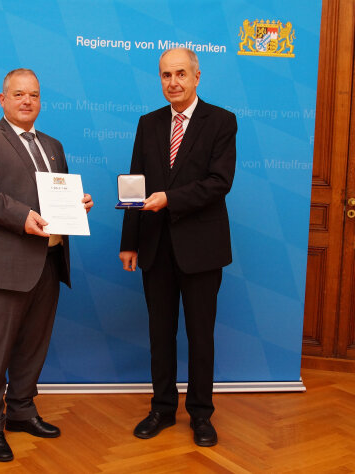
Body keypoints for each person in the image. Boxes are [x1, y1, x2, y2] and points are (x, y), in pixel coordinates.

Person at [0, 68, 93, 462]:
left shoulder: (52, 145)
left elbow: (56, 196)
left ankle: (20, 410)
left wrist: (77, 204)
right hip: (3, 263)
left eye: (33, 95)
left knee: (34, 346)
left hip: (48, 261)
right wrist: (23, 217)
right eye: (18, 94)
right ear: (2, 99)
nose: (26, 101)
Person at [119, 48, 237, 447]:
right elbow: (135, 185)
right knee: (160, 333)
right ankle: (162, 408)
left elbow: (219, 182)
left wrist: (169, 198)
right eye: (166, 75)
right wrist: (129, 242)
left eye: (181, 74)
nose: (173, 82)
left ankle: (201, 415)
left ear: (197, 76)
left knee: (201, 336)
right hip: (155, 247)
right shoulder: (148, 123)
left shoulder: (221, 121)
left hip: (201, 249)